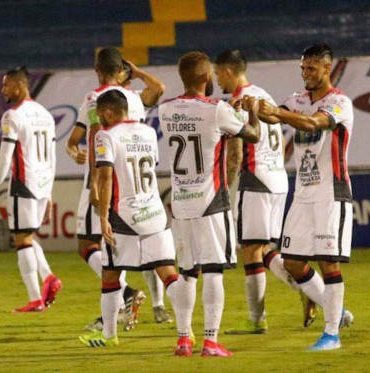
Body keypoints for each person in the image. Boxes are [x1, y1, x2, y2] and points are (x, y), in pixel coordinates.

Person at [159, 51, 261, 357]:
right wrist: (250, 112)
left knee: (188, 271)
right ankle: (210, 340)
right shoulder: (217, 109)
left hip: (180, 204)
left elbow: (194, 126)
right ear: (206, 77)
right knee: (214, 270)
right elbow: (253, 135)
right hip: (210, 201)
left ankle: (182, 339)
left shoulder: (166, 109)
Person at [258, 42, 355, 350]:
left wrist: (276, 112)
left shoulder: (340, 103)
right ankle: (333, 312)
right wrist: (255, 107)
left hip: (331, 192)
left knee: (328, 262)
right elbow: (274, 118)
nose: (305, 74)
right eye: (302, 68)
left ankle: (332, 334)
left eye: (311, 68)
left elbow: (314, 122)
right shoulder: (296, 100)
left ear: (327, 68)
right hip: (303, 193)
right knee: (293, 263)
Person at [78, 90, 188, 352]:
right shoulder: (149, 132)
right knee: (169, 273)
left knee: (110, 274)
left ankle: (109, 334)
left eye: (99, 115)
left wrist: (103, 216)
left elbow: (105, 178)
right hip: (154, 213)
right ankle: (185, 334)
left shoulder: (106, 136)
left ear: (107, 112)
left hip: (124, 216)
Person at [213, 49, 313, 334]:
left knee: (250, 250)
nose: (217, 80)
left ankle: (260, 317)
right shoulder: (264, 96)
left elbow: (235, 152)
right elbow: (281, 141)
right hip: (278, 180)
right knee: (263, 248)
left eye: (218, 73)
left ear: (229, 72)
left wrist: (226, 187)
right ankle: (302, 289)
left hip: (255, 180)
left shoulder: (237, 103)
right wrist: (274, 168)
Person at [66, 48, 164, 331]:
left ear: (97, 69)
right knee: (132, 245)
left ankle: (124, 295)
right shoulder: (132, 98)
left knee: (88, 245)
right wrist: (138, 71)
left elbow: (94, 137)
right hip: (136, 185)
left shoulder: (95, 99)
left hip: (104, 178)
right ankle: (141, 305)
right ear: (122, 70)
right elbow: (159, 88)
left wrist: (94, 182)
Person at [0, 66, 62, 313]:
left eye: (6, 85)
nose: (3, 89)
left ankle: (35, 299)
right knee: (27, 236)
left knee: (21, 241)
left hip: (23, 185)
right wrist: (48, 193)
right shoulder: (45, 115)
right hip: (40, 185)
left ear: (19, 86)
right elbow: (52, 157)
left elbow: (5, 158)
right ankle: (49, 278)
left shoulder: (12, 116)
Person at [118, 64, 173, 324]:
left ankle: (149, 305)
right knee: (143, 252)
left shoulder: (132, 98)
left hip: (132, 180)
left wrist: (136, 71)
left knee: (116, 256)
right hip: (127, 175)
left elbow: (158, 88)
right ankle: (122, 303)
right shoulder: (108, 97)